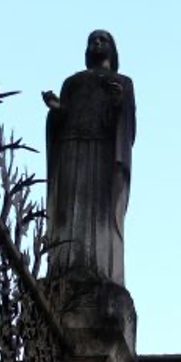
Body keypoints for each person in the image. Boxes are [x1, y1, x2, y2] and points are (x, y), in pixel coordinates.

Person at [43, 30, 135, 286]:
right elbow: (62, 117)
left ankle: (101, 269)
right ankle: (66, 265)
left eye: (102, 40)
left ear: (112, 50)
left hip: (105, 153)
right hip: (73, 149)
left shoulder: (124, 83)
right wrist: (57, 110)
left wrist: (118, 104)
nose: (96, 43)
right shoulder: (72, 83)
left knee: (99, 211)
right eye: (92, 40)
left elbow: (128, 128)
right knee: (71, 208)